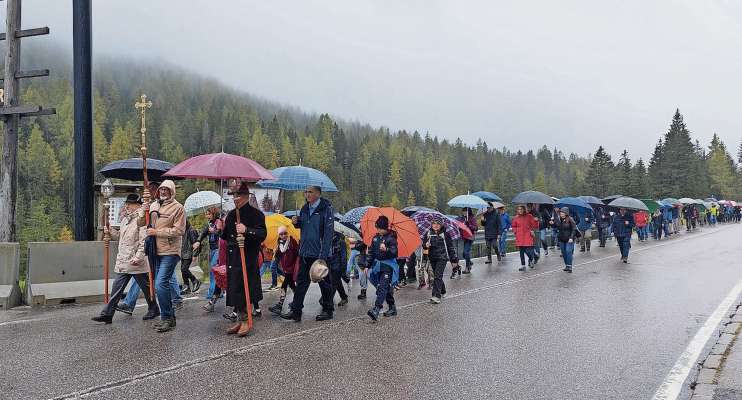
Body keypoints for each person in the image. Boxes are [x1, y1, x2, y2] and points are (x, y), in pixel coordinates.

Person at [92, 194, 159, 323]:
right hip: (124, 260)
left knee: (146, 288)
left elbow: (143, 241)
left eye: (130, 203)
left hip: (135, 261)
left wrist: (139, 257)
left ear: (138, 205)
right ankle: (107, 313)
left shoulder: (142, 219)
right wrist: (111, 231)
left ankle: (153, 308)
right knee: (117, 288)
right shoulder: (125, 220)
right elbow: (120, 238)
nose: (127, 206)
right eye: (126, 203)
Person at [280, 185, 335, 322]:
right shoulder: (304, 208)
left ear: (318, 193)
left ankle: (328, 310)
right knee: (301, 283)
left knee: (325, 284)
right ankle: (296, 311)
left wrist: (322, 257)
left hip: (320, 254)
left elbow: (328, 234)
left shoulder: (326, 209)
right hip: (305, 253)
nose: (307, 194)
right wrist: (297, 222)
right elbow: (304, 226)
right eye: (306, 192)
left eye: (310, 192)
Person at [221, 181, 267, 336]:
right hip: (233, 257)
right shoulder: (231, 214)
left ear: (246, 196)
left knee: (246, 287)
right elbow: (226, 236)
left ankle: (247, 321)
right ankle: (240, 320)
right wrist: (222, 228)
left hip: (247, 256)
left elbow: (262, 234)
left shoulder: (256, 214)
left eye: (238, 195)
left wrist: (246, 230)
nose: (235, 198)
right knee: (235, 289)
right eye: (233, 195)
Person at [140, 180, 186, 333]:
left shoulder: (178, 208)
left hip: (171, 251)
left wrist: (157, 232)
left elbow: (179, 230)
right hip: (155, 250)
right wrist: (143, 209)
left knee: (160, 283)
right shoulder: (153, 205)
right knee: (159, 284)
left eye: (167, 189)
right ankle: (169, 317)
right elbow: (141, 223)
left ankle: (166, 317)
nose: (163, 192)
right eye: (161, 189)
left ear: (172, 191)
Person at [366, 216, 399, 321]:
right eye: (377, 228)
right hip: (378, 266)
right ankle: (392, 307)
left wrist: (387, 249)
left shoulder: (392, 238)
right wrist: (367, 265)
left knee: (383, 287)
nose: (379, 230)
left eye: (380, 228)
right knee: (385, 288)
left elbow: (395, 253)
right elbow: (371, 253)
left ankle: (377, 309)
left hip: (388, 266)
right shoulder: (375, 238)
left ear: (385, 227)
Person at [423, 216, 458, 304]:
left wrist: (453, 260)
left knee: (437, 276)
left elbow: (450, 247)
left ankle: (436, 296)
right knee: (436, 276)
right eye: (434, 223)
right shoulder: (428, 233)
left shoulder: (445, 234)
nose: (435, 225)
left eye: (438, 223)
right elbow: (424, 245)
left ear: (441, 224)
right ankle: (443, 290)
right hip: (432, 257)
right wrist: (425, 245)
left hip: (442, 258)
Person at [268, 226, 300, 315]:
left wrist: (293, 248)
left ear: (287, 233)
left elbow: (297, 253)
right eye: (281, 234)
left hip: (291, 268)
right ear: (279, 235)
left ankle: (280, 305)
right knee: (293, 286)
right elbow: (279, 256)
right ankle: (298, 302)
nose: (283, 235)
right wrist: (276, 251)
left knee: (284, 285)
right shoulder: (279, 243)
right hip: (286, 268)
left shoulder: (292, 241)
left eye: (285, 233)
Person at [195, 207, 223, 301]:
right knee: (214, 271)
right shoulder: (209, 224)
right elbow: (203, 233)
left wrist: (215, 231)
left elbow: (221, 232)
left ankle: (212, 293)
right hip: (211, 250)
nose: (207, 216)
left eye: (209, 214)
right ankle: (219, 291)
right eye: (206, 214)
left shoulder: (218, 221)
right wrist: (198, 241)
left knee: (213, 270)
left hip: (218, 249)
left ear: (213, 214)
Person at [511, 205, 539, 271]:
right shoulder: (516, 218)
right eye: (518, 209)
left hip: (527, 236)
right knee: (521, 251)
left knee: (528, 251)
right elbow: (513, 226)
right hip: (520, 236)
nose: (520, 211)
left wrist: (536, 221)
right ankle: (523, 265)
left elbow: (534, 226)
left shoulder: (529, 216)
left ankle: (532, 258)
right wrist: (515, 231)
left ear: (524, 210)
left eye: (521, 209)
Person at [179, 219, 202, 295]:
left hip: (188, 253)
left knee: (184, 269)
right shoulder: (183, 230)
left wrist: (195, 255)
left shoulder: (191, 230)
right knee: (183, 271)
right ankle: (187, 287)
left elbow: (196, 244)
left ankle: (195, 280)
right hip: (183, 253)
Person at [328, 231, 349, 307]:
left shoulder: (341, 242)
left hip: (338, 267)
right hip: (331, 265)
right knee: (337, 283)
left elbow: (344, 257)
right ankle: (344, 297)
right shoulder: (329, 240)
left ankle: (327, 301)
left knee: (333, 284)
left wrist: (343, 270)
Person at [555, 207, 579, 273]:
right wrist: (553, 223)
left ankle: (570, 266)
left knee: (568, 251)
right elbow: (557, 227)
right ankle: (567, 265)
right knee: (563, 252)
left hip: (569, 239)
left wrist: (571, 238)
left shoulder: (570, 219)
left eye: (562, 213)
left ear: (566, 213)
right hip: (561, 238)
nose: (561, 214)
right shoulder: (559, 219)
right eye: (560, 213)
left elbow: (574, 229)